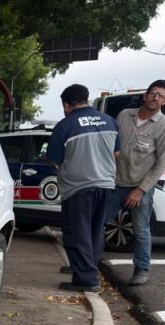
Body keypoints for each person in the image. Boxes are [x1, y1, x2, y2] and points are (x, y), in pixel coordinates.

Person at [45, 84, 119, 293]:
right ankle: (88, 270)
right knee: (96, 231)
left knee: (78, 233)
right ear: (86, 99)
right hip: (105, 184)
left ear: (66, 105)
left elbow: (53, 159)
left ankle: (86, 279)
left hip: (78, 187)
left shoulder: (66, 125)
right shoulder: (109, 121)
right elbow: (117, 153)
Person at [105, 79, 165, 286]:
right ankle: (85, 264)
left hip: (140, 187)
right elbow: (112, 144)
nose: (155, 98)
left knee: (141, 229)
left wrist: (141, 190)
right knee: (97, 223)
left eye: (160, 95)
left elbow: (163, 162)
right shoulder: (125, 115)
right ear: (145, 95)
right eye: (153, 93)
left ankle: (141, 270)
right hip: (115, 182)